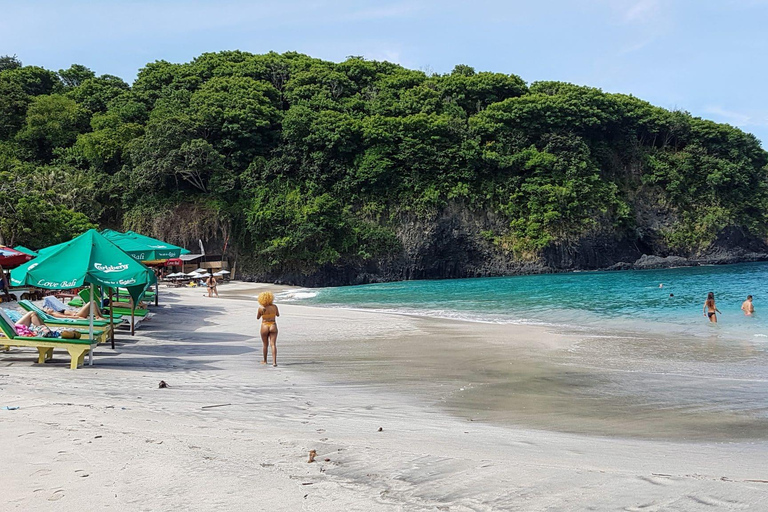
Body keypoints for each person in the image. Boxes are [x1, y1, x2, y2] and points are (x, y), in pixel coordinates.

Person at [257, 291, 279, 367]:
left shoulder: (261, 308)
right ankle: (274, 362)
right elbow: (278, 315)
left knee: (265, 344)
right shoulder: (275, 307)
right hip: (273, 325)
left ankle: (265, 360)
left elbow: (258, 317)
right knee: (273, 344)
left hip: (264, 325)